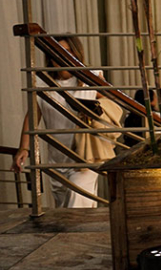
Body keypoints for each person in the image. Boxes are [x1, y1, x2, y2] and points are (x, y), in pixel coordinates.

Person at [10, 36, 120, 208]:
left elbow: (111, 105)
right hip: (57, 159)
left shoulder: (91, 77)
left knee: (77, 201)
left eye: (68, 51)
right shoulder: (42, 82)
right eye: (57, 52)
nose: (62, 56)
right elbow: (32, 116)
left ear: (76, 54)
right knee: (65, 210)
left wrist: (92, 111)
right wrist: (23, 148)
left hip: (84, 157)